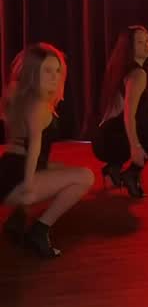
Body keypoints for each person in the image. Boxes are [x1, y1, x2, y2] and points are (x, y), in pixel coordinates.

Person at [0, 43, 94, 257]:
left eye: (57, 70)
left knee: (65, 170)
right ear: (34, 73)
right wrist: (28, 186)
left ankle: (18, 219)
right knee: (85, 177)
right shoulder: (38, 104)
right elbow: (34, 147)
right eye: (47, 71)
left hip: (11, 168)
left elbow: (18, 142)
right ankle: (40, 230)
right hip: (18, 177)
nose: (54, 77)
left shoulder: (23, 96)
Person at [92, 25, 148, 197]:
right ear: (130, 48)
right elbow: (129, 115)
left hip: (103, 138)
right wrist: (135, 147)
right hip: (110, 139)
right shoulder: (138, 74)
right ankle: (132, 173)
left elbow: (140, 115)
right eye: (140, 42)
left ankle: (114, 167)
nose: (146, 45)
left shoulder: (123, 70)